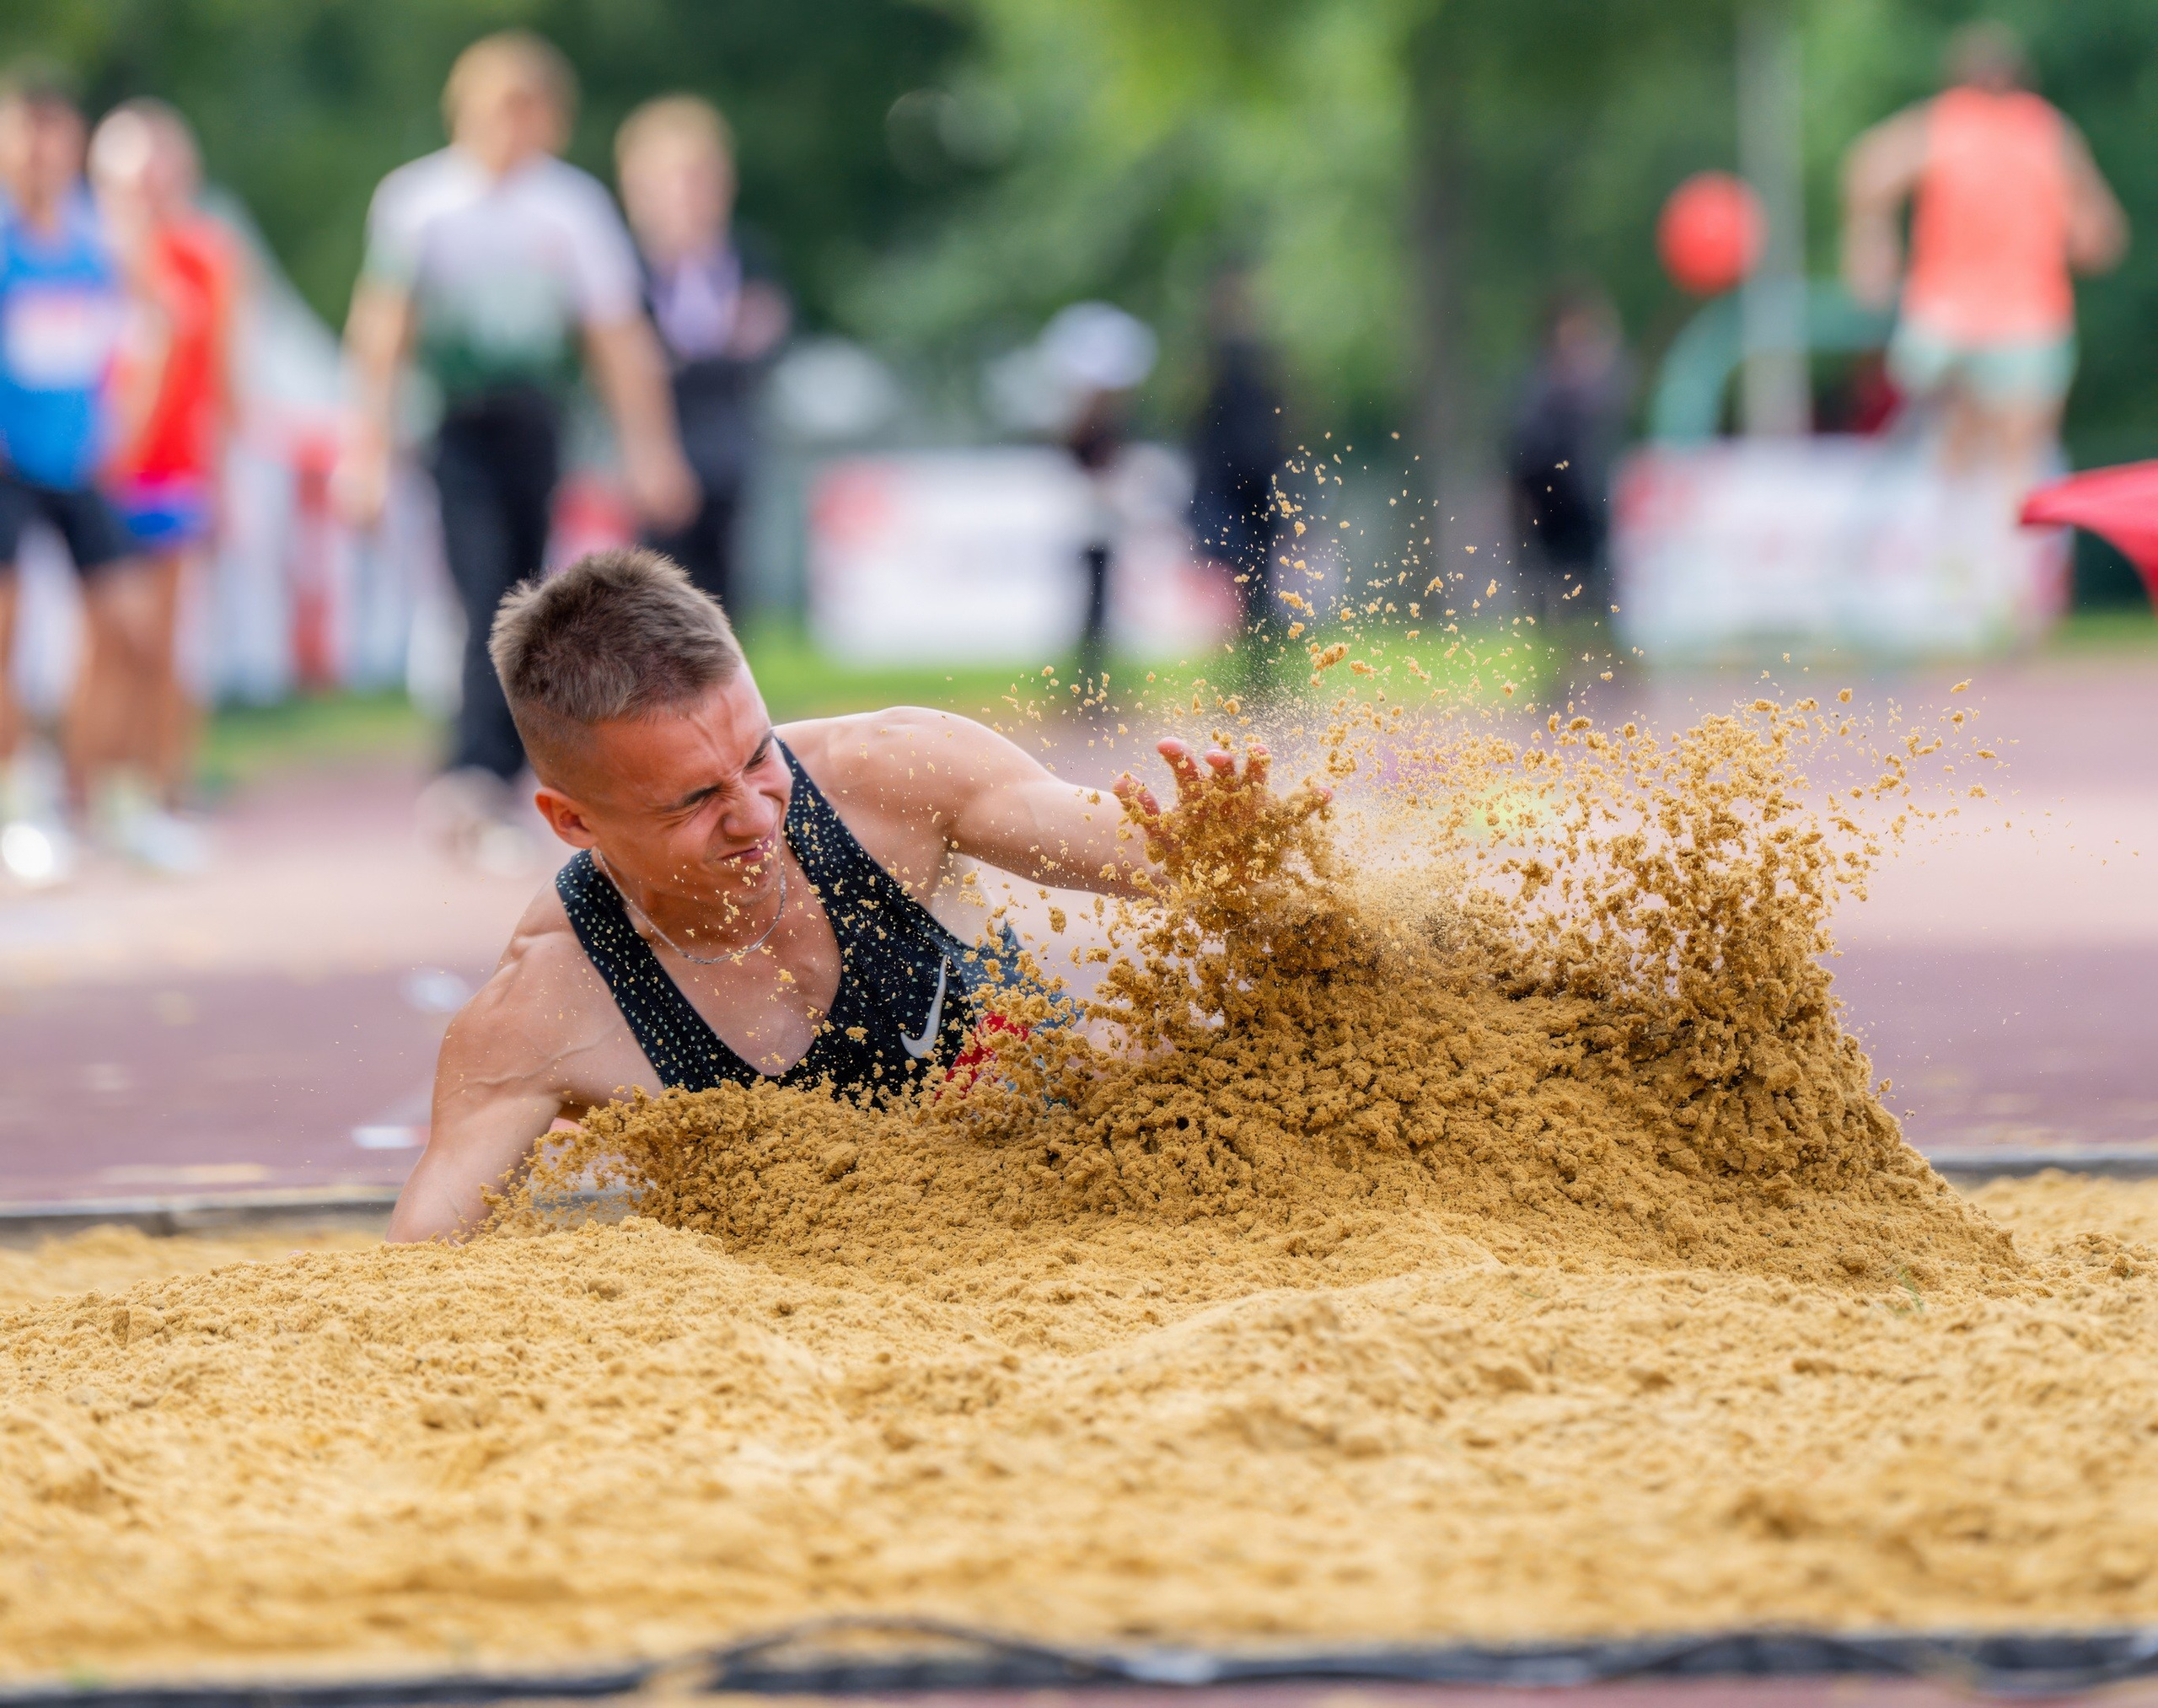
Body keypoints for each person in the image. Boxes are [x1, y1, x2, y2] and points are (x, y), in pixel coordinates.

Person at [385, 547, 1318, 1243]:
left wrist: (1231, 851)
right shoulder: (541, 1006)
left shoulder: (892, 776)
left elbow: (1168, 861)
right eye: (697, 800)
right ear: (573, 821)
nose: (755, 814)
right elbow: (421, 1272)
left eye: (757, 754)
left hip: (1091, 1218)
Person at [335, 31, 697, 866]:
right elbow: (384, 329)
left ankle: (491, 772)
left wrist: (652, 448)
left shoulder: (569, 208)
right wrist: (368, 447)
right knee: (484, 585)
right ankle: (473, 771)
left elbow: (615, 337)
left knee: (524, 591)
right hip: (456, 423)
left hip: (534, 421)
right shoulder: (419, 202)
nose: (515, 129)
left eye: (531, 113)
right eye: (502, 110)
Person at [1841, 22, 2127, 477]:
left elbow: (1867, 171)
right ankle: (2003, 543)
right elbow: (2100, 238)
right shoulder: (2046, 133)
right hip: (2027, 321)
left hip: (1944, 319)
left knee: (1951, 455)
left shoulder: (1944, 123)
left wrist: (1870, 250)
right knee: (2019, 463)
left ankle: (1953, 543)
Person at [0, 67, 148, 885]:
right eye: (22, 130)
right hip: (7, 465)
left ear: (73, 144)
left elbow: (127, 343)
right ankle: (21, 807)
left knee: (128, 628)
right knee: (5, 636)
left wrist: (116, 422)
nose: (36, 148)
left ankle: (114, 803)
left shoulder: (95, 242)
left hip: (79, 460)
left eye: (51, 131)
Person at [88, 98, 240, 868]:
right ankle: (88, 800)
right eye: (132, 171)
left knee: (165, 643)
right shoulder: (86, 250)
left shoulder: (207, 253)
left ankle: (159, 794)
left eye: (161, 168)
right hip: (95, 475)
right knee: (109, 641)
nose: (149, 185)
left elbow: (223, 372)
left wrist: (227, 472)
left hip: (177, 473)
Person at [615, 95, 788, 619]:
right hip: (654, 448)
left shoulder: (750, 257)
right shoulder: (621, 269)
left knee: (727, 597)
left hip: (732, 451)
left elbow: (769, 335)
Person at [1507, 282, 1629, 632]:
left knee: (1595, 584)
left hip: (1589, 502)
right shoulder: (1542, 387)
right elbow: (1526, 450)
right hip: (1552, 503)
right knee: (1553, 585)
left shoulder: (1594, 382)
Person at [1188, 267, 1286, 664]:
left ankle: (1263, 664)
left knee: (1257, 580)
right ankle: (1254, 662)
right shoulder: (1216, 365)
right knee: (1240, 577)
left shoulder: (1255, 363)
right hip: (1229, 486)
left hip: (1255, 486)